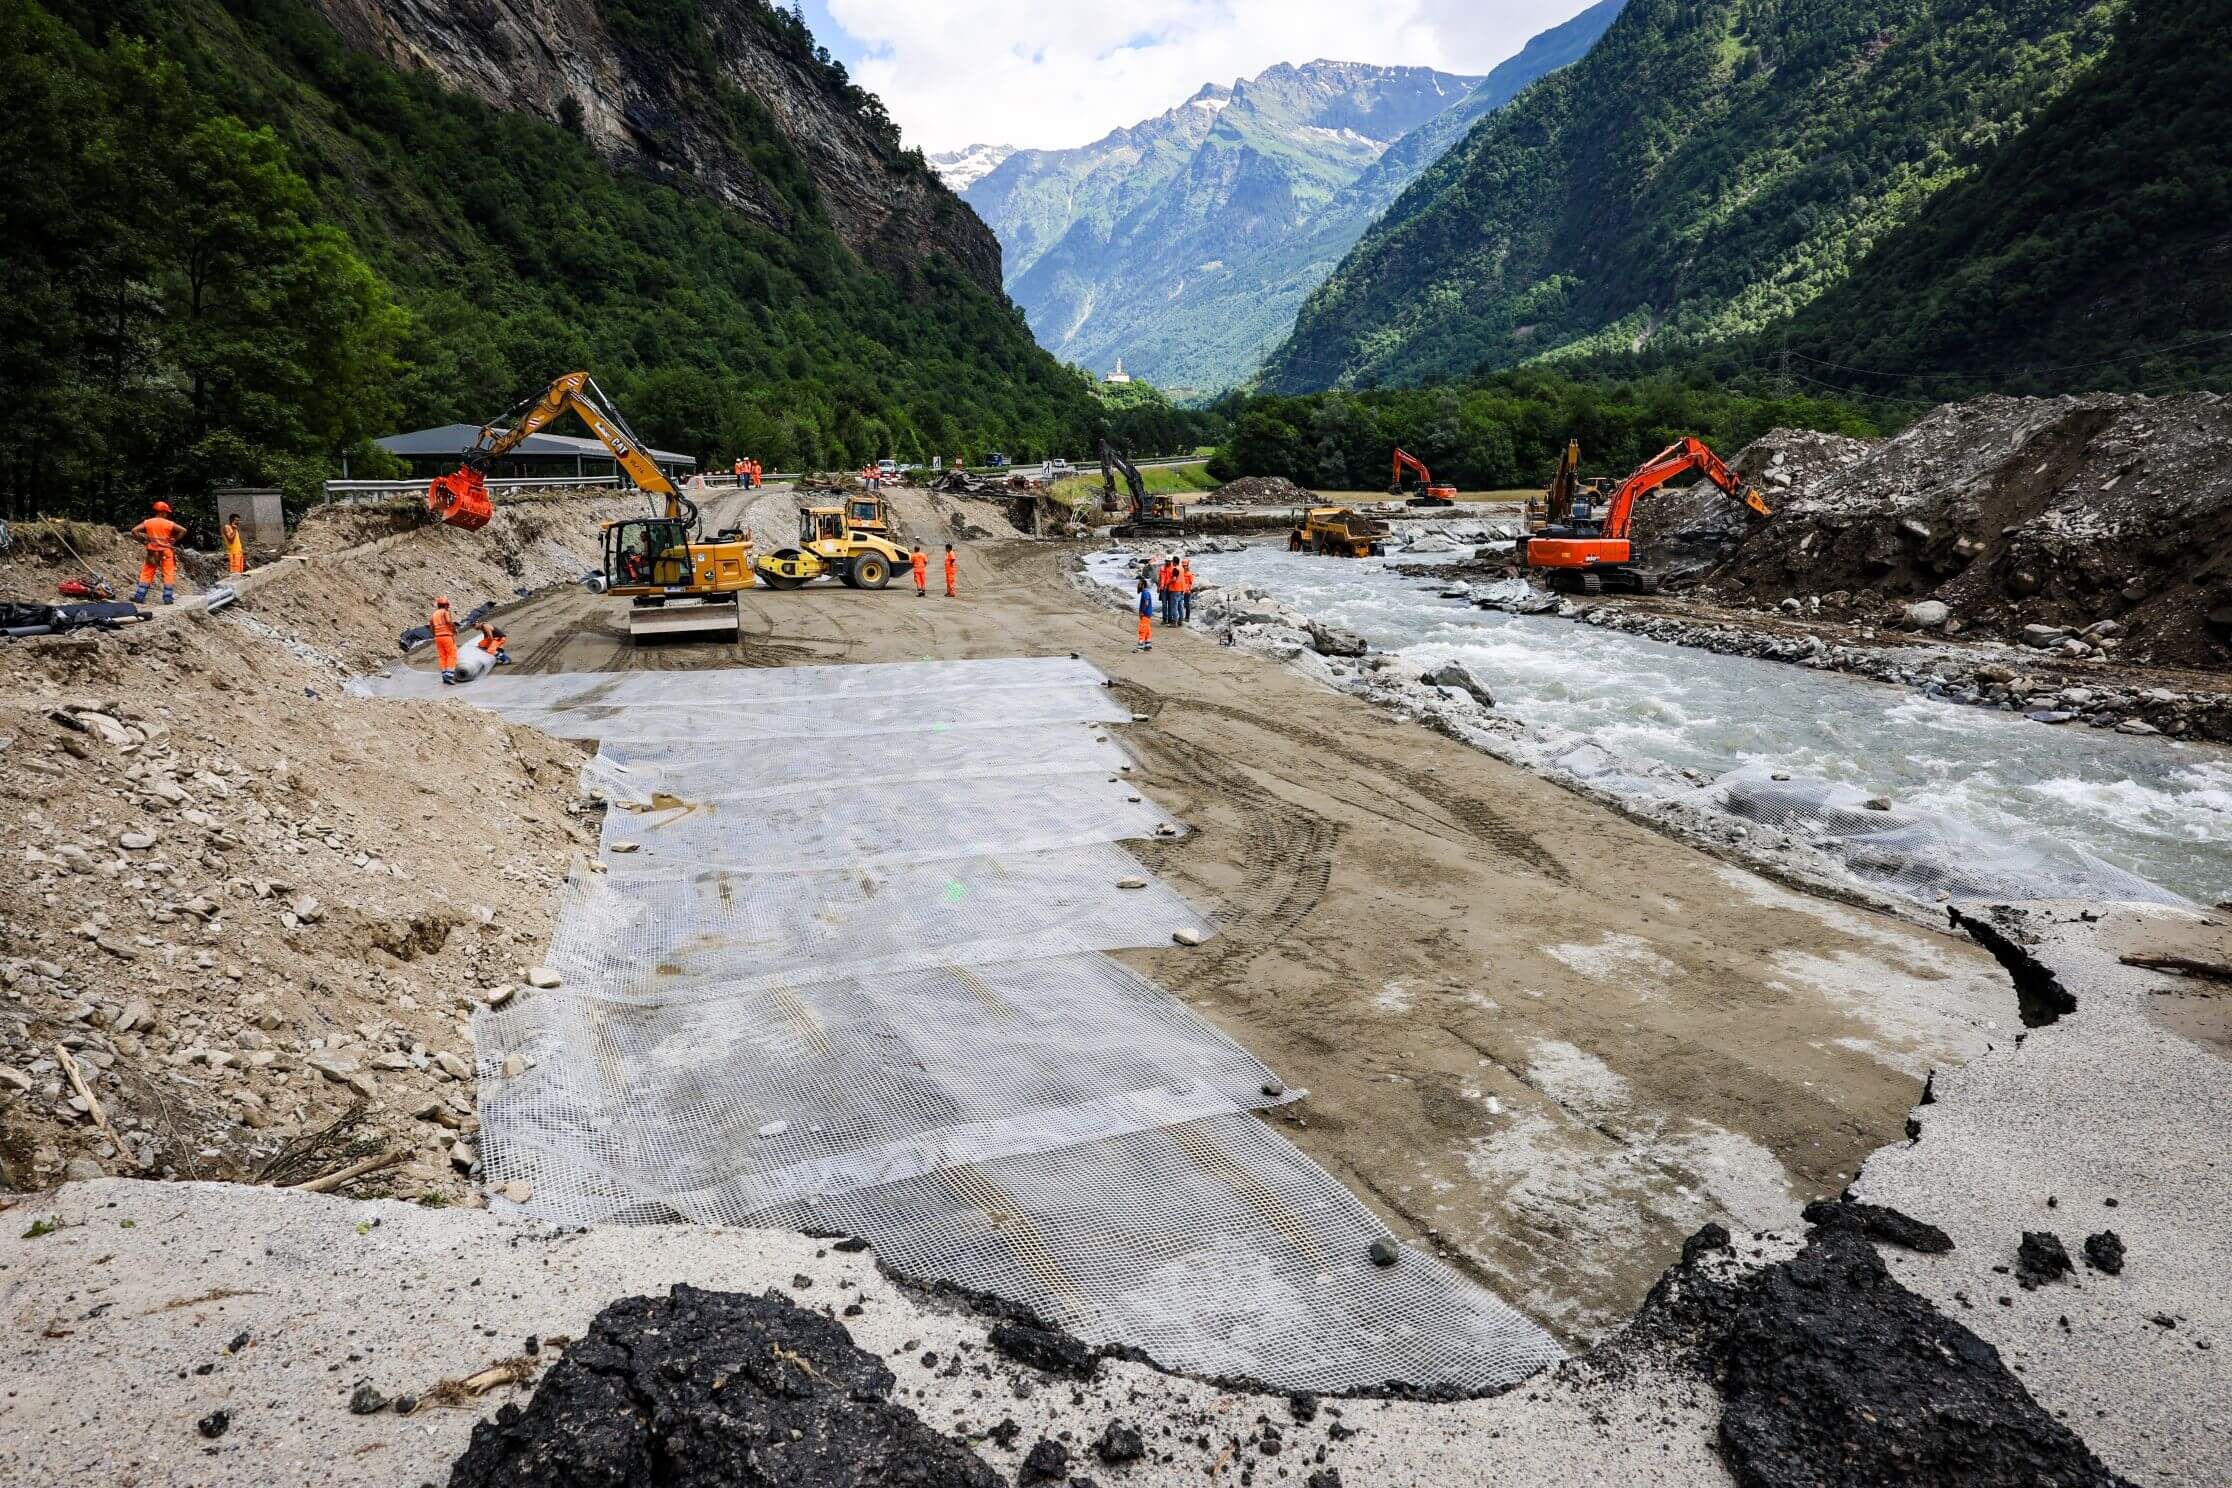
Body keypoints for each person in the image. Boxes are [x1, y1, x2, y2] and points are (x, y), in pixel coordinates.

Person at [129, 500, 186, 604]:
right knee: (168, 573)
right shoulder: (169, 523)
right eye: (166, 512)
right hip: (166, 551)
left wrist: (144, 540)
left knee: (147, 573)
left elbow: (134, 530)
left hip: (152, 551)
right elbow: (183, 530)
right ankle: (168, 598)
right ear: (163, 512)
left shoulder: (148, 522)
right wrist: (175, 539)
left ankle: (139, 596)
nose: (167, 514)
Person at [430, 596, 459, 684]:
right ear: (446, 605)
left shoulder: (434, 614)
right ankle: (449, 675)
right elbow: (449, 621)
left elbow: (431, 626)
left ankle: (444, 675)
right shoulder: (445, 612)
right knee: (452, 655)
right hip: (446, 636)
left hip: (438, 637)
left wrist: (434, 634)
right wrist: (454, 629)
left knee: (442, 656)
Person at [1135, 578, 1154, 652]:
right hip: (1147, 613)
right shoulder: (1146, 592)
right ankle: (1147, 645)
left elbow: (1146, 603)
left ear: (1142, 585)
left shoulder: (1145, 593)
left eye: (1139, 584)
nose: (1138, 585)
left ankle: (1140, 647)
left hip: (1145, 614)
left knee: (1142, 629)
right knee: (1147, 629)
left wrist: (1142, 611)